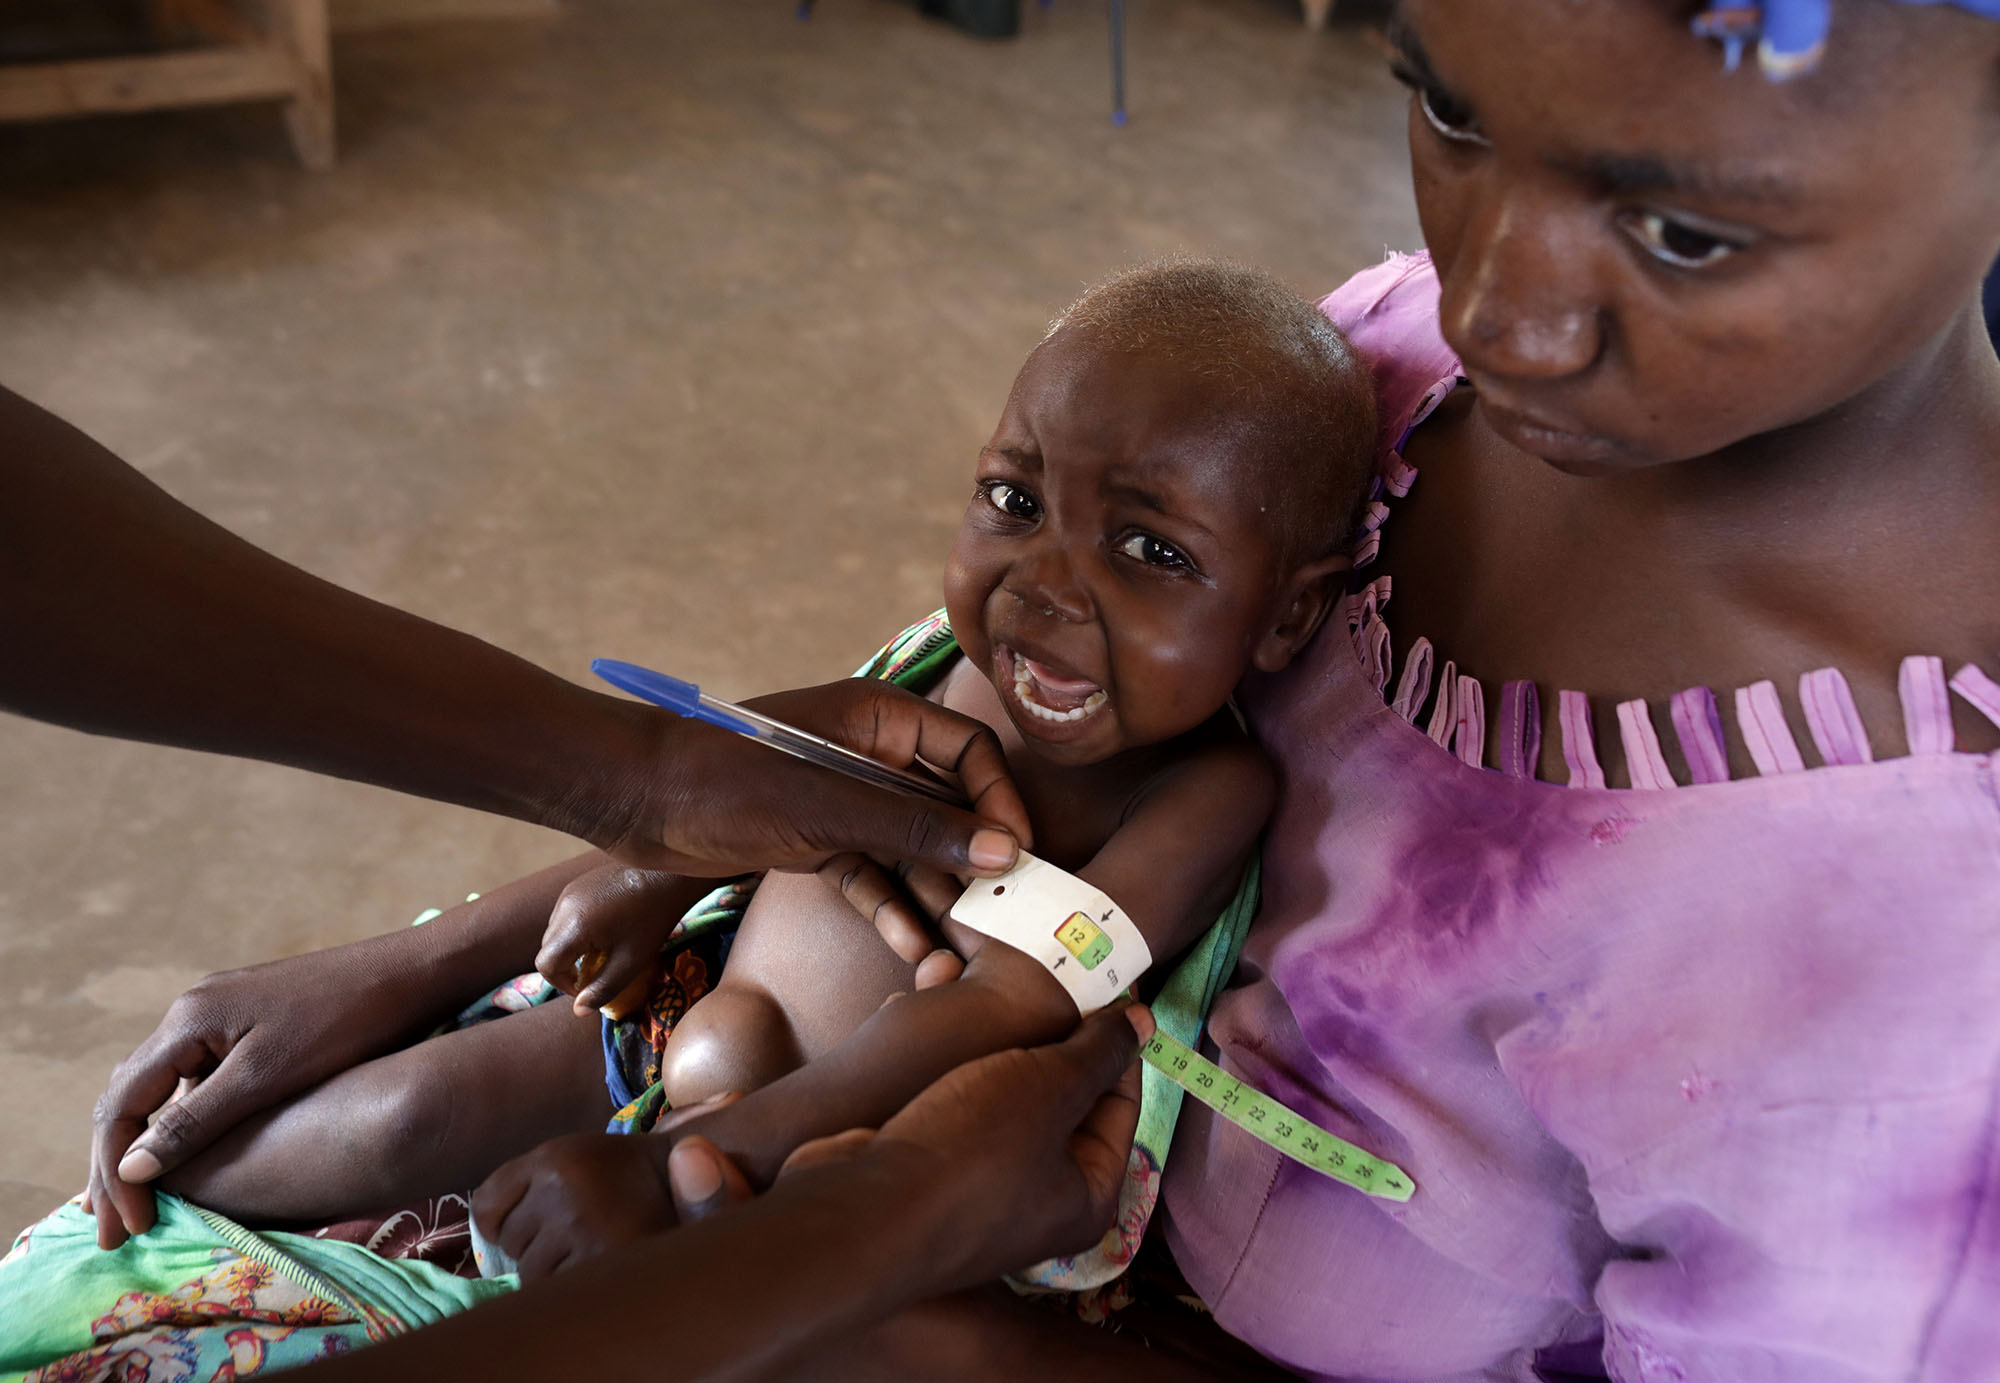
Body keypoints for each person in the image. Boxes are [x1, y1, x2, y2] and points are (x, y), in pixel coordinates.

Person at [22, 0, 2000, 1376]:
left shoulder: (1913, 970)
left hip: (790, 1229)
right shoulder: (1370, 379)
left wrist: (835, 1250)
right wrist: (533, 886)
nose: (1492, 302)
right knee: (151, 1219)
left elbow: (1012, 972)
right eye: (1450, 109)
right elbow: (955, 693)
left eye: (1679, 227)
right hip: (721, 1144)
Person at [128, 260, 1377, 1298]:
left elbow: (1003, 1008)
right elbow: (744, 789)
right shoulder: (950, 664)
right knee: (379, 1132)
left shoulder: (1208, 797)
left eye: (1151, 548)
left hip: (810, 1164)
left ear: (1286, 618)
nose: (1045, 584)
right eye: (1013, 497)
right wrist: (645, 877)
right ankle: (137, 1183)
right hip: (663, 1022)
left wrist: (707, 1153)